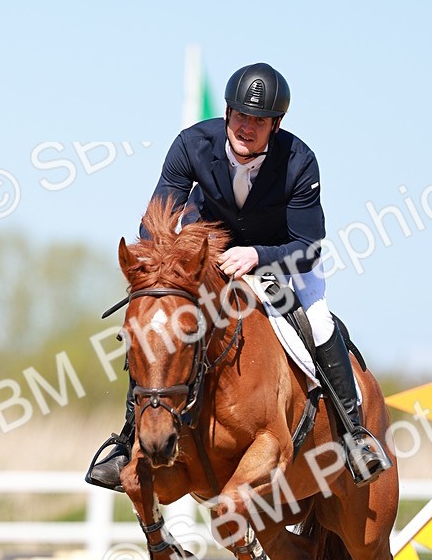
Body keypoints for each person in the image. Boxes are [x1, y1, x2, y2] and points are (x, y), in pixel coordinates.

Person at [87, 61, 391, 490]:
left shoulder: (299, 161)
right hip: (209, 256)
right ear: (228, 113)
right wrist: (169, 267)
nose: (247, 128)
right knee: (159, 329)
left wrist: (256, 256)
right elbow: (155, 222)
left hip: (282, 259)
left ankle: (355, 432)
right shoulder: (191, 145)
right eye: (242, 116)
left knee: (319, 323)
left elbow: (308, 248)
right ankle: (128, 438)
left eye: (260, 121)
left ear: (276, 124)